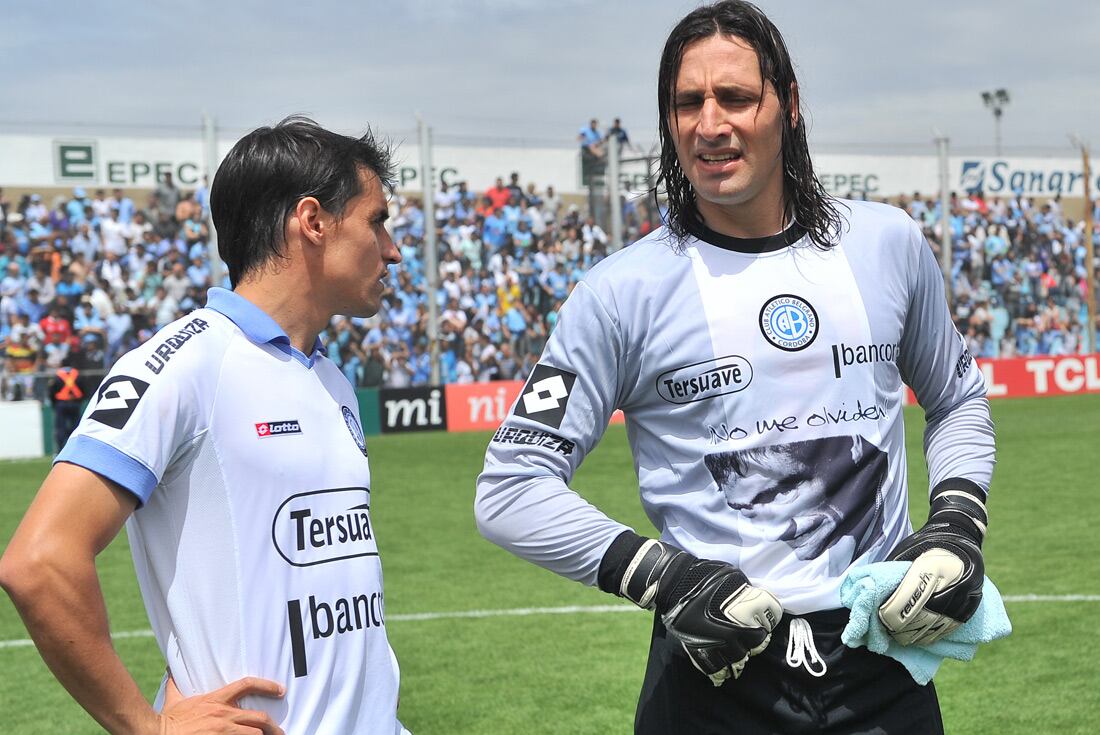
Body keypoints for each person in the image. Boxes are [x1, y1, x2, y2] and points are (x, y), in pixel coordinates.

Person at [474, 3, 994, 733]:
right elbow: (510, 487)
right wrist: (662, 574)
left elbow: (958, 397)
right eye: (687, 102)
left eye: (737, 98)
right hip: (713, 679)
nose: (709, 124)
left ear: (789, 106)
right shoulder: (618, 293)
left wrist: (956, 524)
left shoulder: (888, 245)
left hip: (883, 667)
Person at [0, 116, 409, 734]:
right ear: (314, 221)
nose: (393, 247)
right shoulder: (182, 365)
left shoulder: (330, 379)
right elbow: (39, 560)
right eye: (377, 220)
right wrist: (150, 726)